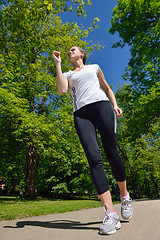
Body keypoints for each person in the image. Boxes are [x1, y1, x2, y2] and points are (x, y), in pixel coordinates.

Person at [52, 46, 133, 235]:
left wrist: (115, 105)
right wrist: (58, 64)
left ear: (82, 54)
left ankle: (124, 195)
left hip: (101, 106)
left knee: (111, 153)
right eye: (69, 51)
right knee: (93, 158)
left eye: (73, 49)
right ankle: (110, 213)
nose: (69, 51)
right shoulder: (67, 74)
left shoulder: (94, 67)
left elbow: (107, 88)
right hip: (81, 114)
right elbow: (63, 90)